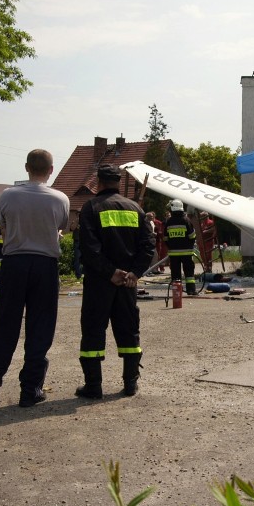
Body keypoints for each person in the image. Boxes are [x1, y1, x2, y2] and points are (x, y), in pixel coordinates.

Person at [0, 149, 70, 408]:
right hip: (46, 265)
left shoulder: (8, 195)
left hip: (14, 263)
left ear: (26, 167)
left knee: (4, 326)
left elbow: (3, 227)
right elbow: (61, 228)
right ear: (51, 169)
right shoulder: (60, 198)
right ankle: (30, 389)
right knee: (41, 327)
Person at [76, 164, 155, 399]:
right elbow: (148, 244)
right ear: (118, 182)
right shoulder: (135, 208)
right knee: (129, 331)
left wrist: (110, 272)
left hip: (100, 282)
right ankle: (130, 384)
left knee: (92, 331)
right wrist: (135, 273)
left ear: (98, 182)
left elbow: (88, 248)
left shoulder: (91, 208)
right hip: (128, 283)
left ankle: (94, 386)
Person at [164, 199, 197, 295]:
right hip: (187, 252)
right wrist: (190, 245)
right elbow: (192, 236)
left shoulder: (169, 222)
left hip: (173, 253)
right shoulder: (186, 220)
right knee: (189, 273)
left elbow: (165, 238)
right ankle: (191, 290)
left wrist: (171, 247)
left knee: (175, 273)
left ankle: (177, 292)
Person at [70, 210, 84, 280]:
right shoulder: (74, 221)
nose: (79, 216)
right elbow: (72, 228)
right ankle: (78, 275)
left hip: (84, 242)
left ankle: (84, 273)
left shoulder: (85, 221)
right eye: (77, 214)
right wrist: (76, 221)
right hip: (77, 241)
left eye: (80, 214)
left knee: (86, 258)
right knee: (77, 258)